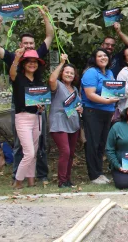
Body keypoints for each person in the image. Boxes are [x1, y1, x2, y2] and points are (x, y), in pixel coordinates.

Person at [0, 7, 53, 184]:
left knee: (40, 142)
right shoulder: (13, 57)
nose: (29, 46)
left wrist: (45, 16)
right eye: (25, 43)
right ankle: (16, 177)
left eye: (31, 44)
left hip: (38, 103)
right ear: (20, 44)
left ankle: (38, 176)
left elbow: (49, 36)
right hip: (19, 105)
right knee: (20, 144)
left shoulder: (37, 56)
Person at [80, 48, 121, 184]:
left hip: (107, 112)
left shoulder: (109, 73)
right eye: (99, 56)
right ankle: (93, 175)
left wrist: (113, 100)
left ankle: (99, 173)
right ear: (94, 59)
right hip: (93, 112)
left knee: (101, 144)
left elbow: (114, 90)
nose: (103, 57)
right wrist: (108, 101)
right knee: (93, 143)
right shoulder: (91, 72)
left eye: (105, 55)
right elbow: (90, 94)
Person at [8, 48, 47, 189]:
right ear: (24, 64)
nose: (32, 64)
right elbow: (12, 73)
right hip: (23, 117)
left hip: (37, 117)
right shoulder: (18, 77)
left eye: (35, 62)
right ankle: (18, 181)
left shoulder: (38, 80)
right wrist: (16, 58)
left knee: (34, 152)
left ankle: (31, 180)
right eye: (29, 62)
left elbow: (41, 98)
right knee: (29, 152)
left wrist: (41, 106)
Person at [48, 54, 82, 188]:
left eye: (71, 73)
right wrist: (62, 62)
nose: (69, 75)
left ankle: (68, 179)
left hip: (73, 123)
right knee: (65, 151)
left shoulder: (75, 89)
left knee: (71, 153)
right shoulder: (58, 86)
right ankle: (61, 181)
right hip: (59, 122)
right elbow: (51, 79)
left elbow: (77, 105)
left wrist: (80, 109)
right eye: (66, 72)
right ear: (62, 73)